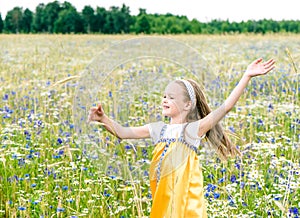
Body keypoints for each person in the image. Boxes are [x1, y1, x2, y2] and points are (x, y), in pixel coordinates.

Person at [88, 58, 275, 217]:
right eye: (164, 96)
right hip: (162, 195)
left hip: (184, 197)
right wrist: (103, 118)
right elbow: (123, 132)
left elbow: (226, 107)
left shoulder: (192, 130)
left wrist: (247, 76)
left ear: (187, 105)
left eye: (171, 97)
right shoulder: (158, 130)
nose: (164, 100)